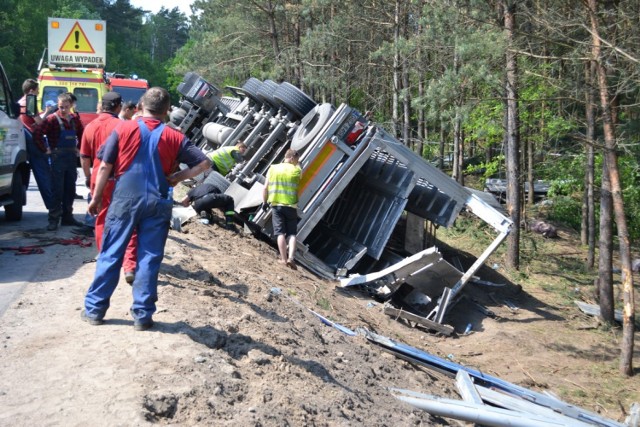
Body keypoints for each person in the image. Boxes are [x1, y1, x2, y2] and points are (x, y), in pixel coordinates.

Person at [81, 87, 210, 331]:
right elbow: (204, 162)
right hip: (158, 201)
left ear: (141, 105)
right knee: (149, 257)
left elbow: (105, 165)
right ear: (167, 110)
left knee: (111, 252)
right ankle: (142, 315)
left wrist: (96, 198)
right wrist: (177, 177)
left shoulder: (123, 128)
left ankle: (95, 310)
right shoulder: (175, 136)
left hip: (124, 199)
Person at [80, 91, 138, 284]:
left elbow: (85, 157)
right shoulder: (123, 126)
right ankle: (129, 265)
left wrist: (88, 177)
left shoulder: (89, 127)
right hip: (119, 180)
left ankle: (104, 257)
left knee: (101, 219)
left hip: (99, 178)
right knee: (127, 221)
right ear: (117, 107)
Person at [33, 92, 85, 230]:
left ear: (71, 106)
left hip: (70, 159)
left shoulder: (75, 120)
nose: (63, 110)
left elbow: (83, 134)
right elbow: (37, 133)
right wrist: (45, 149)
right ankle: (54, 219)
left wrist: (79, 148)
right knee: (57, 189)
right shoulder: (51, 119)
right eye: (61, 107)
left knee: (70, 188)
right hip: (57, 159)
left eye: (66, 107)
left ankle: (67, 217)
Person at [19, 79, 55, 209]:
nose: (39, 93)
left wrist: (45, 112)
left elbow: (32, 120)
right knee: (43, 174)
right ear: (31, 91)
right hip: (35, 141)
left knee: (42, 173)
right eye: (37, 90)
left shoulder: (20, 102)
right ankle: (53, 206)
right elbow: (39, 122)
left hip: (27, 140)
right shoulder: (30, 102)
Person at [262, 149, 301, 270]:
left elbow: (265, 188)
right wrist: (297, 164)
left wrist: (264, 202)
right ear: (293, 158)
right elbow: (299, 173)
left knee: (279, 233)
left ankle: (283, 260)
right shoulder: (297, 170)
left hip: (276, 205)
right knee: (292, 234)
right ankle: (291, 258)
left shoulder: (273, 168)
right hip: (291, 206)